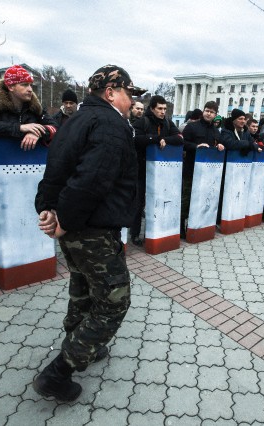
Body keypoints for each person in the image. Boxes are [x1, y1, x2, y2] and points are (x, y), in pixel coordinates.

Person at [33, 64, 145, 402]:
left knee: (82, 287)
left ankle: (83, 345)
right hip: (92, 227)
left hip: (76, 226)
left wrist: (48, 209)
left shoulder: (77, 119)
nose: (131, 101)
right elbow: (92, 180)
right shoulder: (111, 124)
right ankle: (59, 372)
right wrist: (64, 217)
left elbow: (56, 169)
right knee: (114, 301)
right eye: (128, 94)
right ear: (111, 92)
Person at [0, 64, 57, 285]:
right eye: (24, 84)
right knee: (6, 216)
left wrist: (39, 132)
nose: (30, 89)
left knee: (31, 212)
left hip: (32, 170)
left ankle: (31, 256)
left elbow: (54, 127)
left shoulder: (35, 107)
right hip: (2, 169)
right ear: (10, 86)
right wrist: (19, 129)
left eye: (31, 84)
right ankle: (5, 263)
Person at [131, 95, 183, 245]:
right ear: (152, 108)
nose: (162, 112)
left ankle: (156, 230)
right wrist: (155, 139)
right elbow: (136, 139)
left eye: (165, 109)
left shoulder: (167, 122)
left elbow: (179, 138)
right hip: (141, 168)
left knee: (159, 200)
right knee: (138, 202)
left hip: (160, 171)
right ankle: (135, 234)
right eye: (159, 109)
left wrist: (165, 140)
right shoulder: (142, 122)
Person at [181, 101, 224, 237]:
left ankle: (195, 225)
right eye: (207, 110)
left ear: (215, 115)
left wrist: (219, 147)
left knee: (202, 199)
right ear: (203, 111)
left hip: (207, 174)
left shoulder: (216, 131)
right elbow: (183, 143)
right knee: (186, 200)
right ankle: (180, 226)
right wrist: (196, 146)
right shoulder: (192, 127)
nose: (208, 113)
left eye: (211, 112)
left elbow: (216, 145)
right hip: (191, 170)